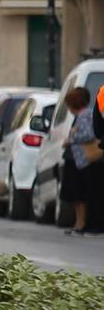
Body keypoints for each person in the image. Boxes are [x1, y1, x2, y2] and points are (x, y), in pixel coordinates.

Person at [62, 87, 101, 235]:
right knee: (79, 196)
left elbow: (89, 134)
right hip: (80, 161)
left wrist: (71, 138)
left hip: (85, 161)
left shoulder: (85, 115)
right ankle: (79, 225)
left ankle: (83, 225)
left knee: (83, 195)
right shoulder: (86, 114)